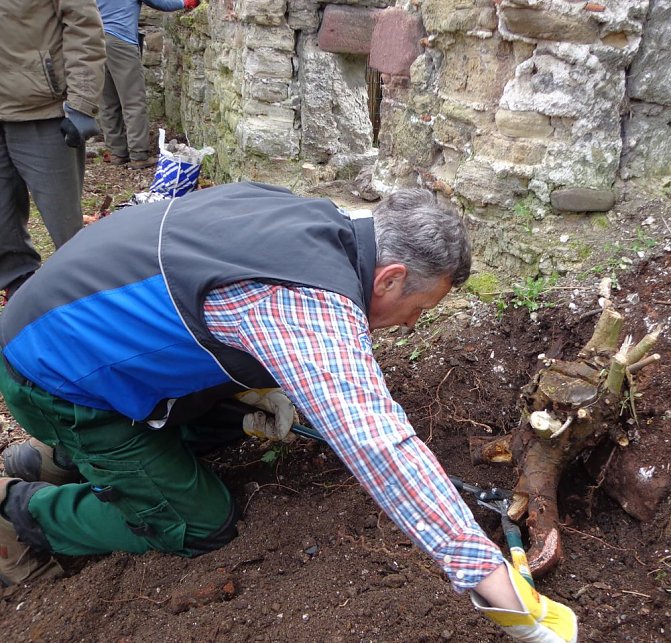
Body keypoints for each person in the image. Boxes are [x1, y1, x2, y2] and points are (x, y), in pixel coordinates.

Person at [0, 183, 577, 641]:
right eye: (416, 308)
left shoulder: (315, 221)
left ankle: (52, 459)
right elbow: (379, 443)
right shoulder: (306, 303)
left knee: (243, 401)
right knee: (201, 524)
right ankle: (21, 511)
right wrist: (486, 576)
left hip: (70, 332)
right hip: (55, 380)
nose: (410, 325)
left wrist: (260, 396)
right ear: (392, 276)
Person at [0, 0, 106, 305]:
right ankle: (22, 290)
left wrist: (83, 103)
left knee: (66, 224)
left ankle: (89, 299)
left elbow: (83, 24)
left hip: (42, 110)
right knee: (2, 224)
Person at [96, 0, 199, 170]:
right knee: (133, 101)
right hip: (121, 41)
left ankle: (117, 152)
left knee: (108, 101)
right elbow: (161, 3)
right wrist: (185, 2)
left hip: (97, 41)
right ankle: (138, 155)